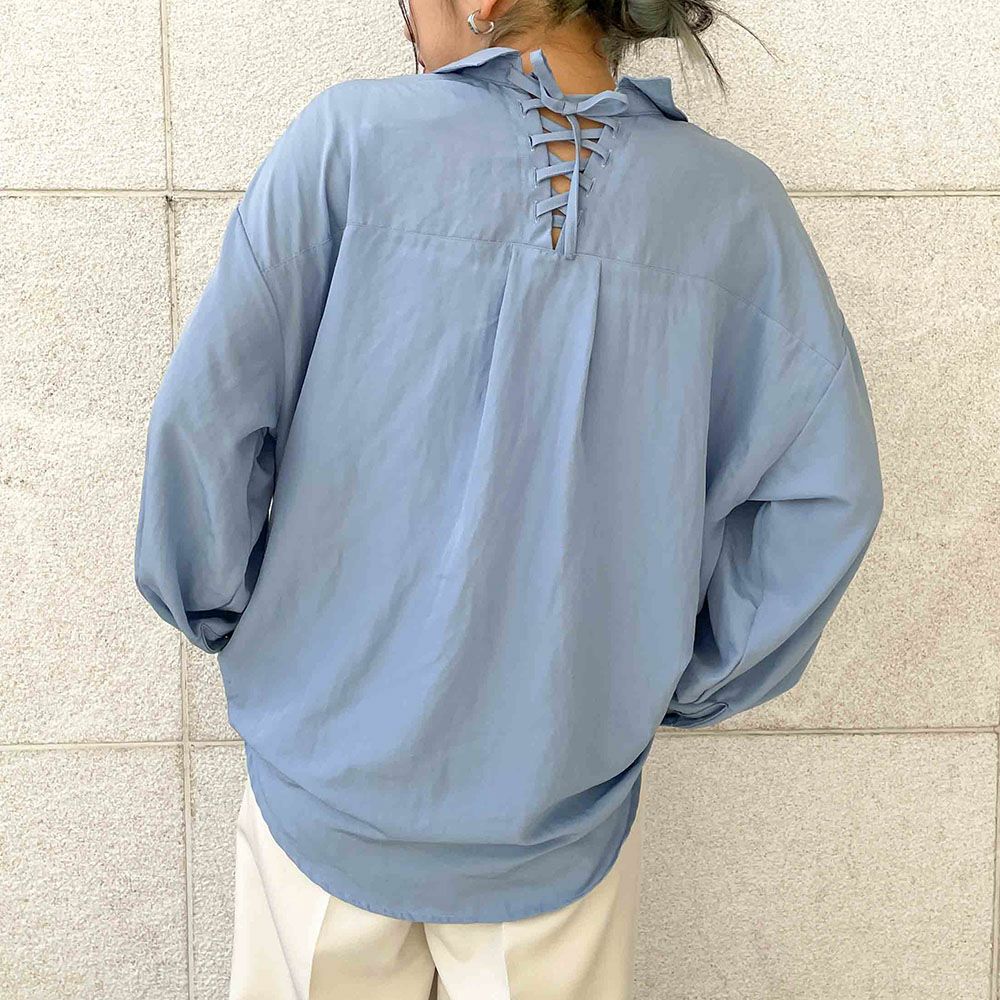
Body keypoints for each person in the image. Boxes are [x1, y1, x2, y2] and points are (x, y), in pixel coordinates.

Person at [132, 0, 885, 994]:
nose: (403, 15)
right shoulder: (734, 210)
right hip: (560, 796)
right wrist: (680, 679)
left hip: (324, 773)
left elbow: (210, 420)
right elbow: (823, 494)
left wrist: (223, 610)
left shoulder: (349, 143)